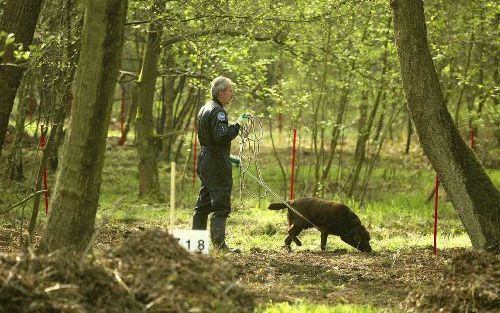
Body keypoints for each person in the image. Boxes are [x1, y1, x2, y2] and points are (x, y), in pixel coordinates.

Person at [192, 76, 250, 253]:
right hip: (216, 164)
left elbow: (211, 139)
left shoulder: (204, 108)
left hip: (206, 159)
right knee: (221, 205)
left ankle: (196, 247)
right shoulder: (219, 111)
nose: (232, 95)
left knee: (203, 205)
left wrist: (228, 156)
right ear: (221, 92)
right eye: (230, 91)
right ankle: (219, 247)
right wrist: (238, 125)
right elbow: (222, 136)